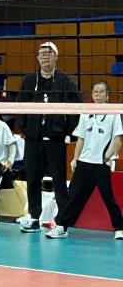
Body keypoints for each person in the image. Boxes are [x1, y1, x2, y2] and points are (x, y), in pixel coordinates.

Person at [12, 42, 80, 232]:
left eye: (48, 54)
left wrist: (68, 133)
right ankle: (34, 217)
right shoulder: (29, 81)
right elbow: (19, 106)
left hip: (56, 140)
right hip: (33, 140)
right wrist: (25, 129)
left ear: (56, 57)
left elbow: (76, 108)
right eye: (41, 54)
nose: (44, 57)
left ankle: (63, 222)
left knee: (59, 181)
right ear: (37, 58)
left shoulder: (66, 81)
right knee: (33, 179)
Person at [46, 82, 123, 240]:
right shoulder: (86, 112)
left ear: (107, 96)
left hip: (101, 164)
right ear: (92, 95)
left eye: (101, 92)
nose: (98, 95)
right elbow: (81, 138)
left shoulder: (114, 113)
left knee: (108, 197)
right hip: (84, 162)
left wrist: (106, 157)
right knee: (73, 196)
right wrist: (75, 159)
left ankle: (120, 228)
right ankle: (61, 227)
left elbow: (117, 139)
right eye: (95, 92)